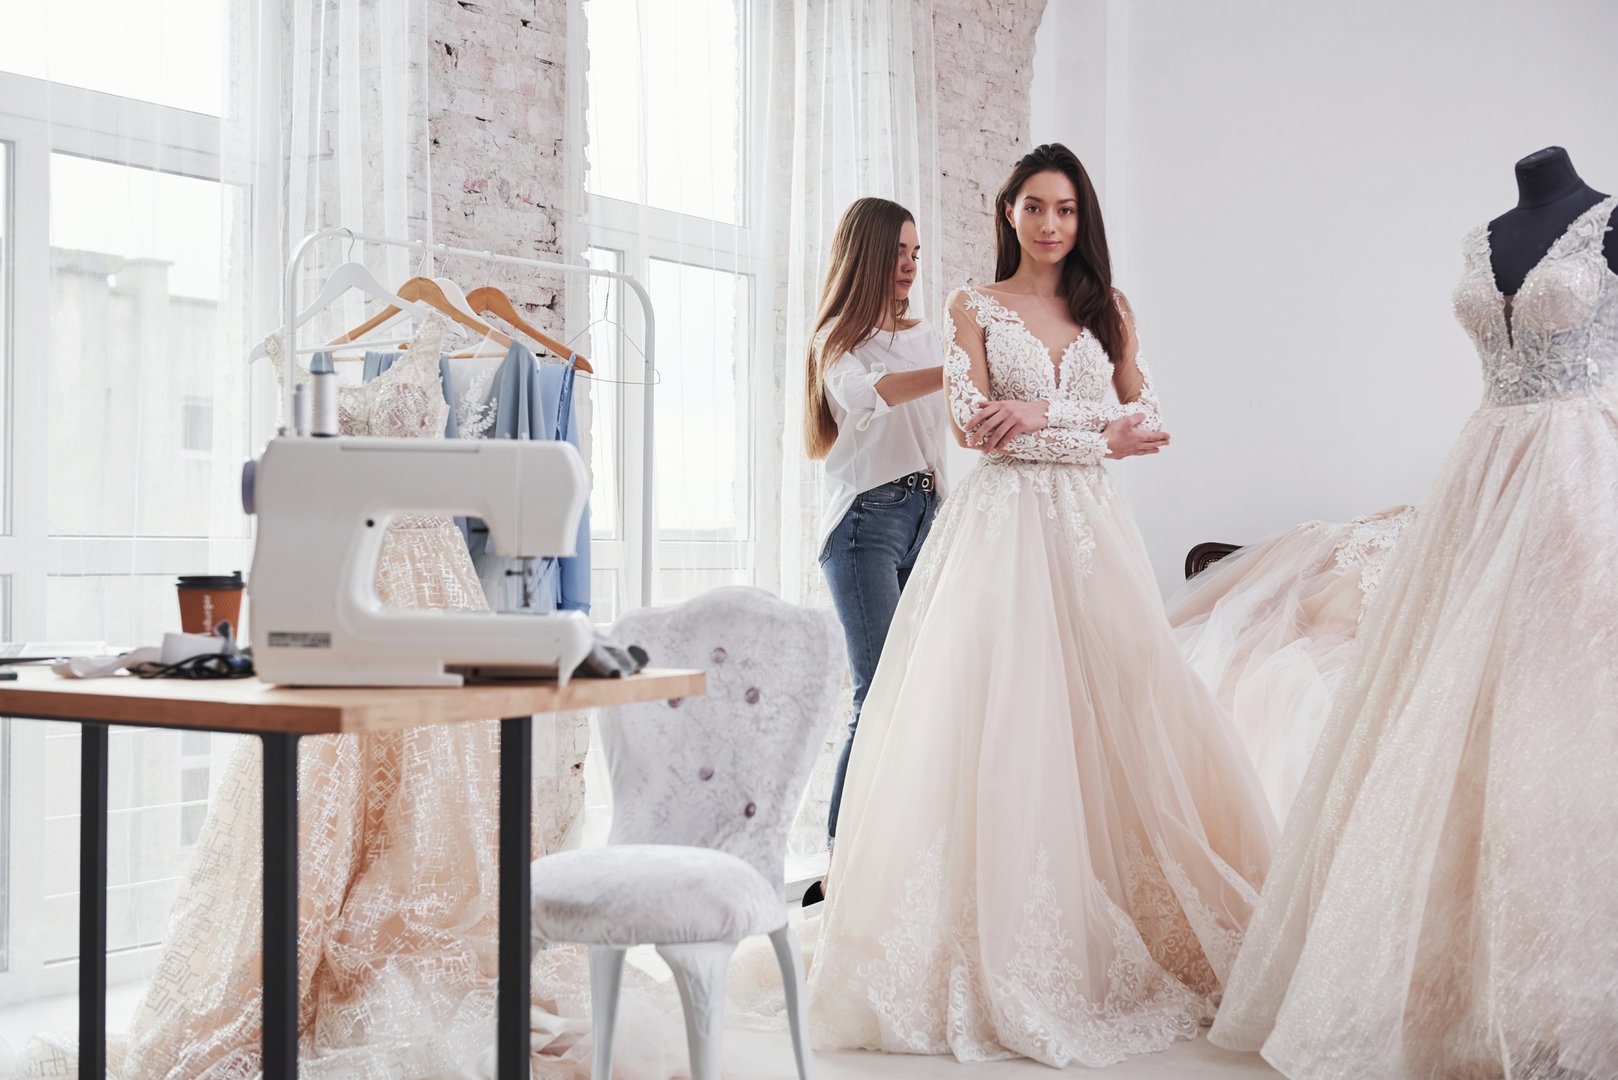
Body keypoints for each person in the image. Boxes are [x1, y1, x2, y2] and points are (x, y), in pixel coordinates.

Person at [805, 143, 1276, 1067]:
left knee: (1124, 712)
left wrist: (1049, 421)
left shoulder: (1111, 311)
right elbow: (974, 427)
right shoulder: (969, 307)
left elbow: (1151, 422)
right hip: (1002, 537)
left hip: (1095, 539)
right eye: (1034, 208)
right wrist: (1074, 433)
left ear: (1080, 216)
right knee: (1003, 722)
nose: (1051, 224)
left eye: (1065, 209)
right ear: (1009, 213)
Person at [1210, 149, 1618, 1080]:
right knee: (1465, 727)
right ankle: (1469, 984)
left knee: (1577, 725)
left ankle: (1574, 985)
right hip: (1484, 477)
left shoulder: (1610, 221)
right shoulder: (1481, 237)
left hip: (1584, 481)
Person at [802, 196, 950, 903]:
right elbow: (870, 399)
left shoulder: (926, 339)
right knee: (878, 695)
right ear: (867, 257)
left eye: (916, 253)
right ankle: (842, 864)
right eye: (898, 253)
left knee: (919, 695)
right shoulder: (839, 339)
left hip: (926, 516)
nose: (910, 267)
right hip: (865, 525)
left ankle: (898, 860)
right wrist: (957, 370)